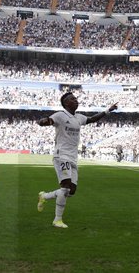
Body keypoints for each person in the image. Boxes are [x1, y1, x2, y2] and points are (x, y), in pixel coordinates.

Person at [37, 92, 117, 228]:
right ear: (66, 103)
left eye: (75, 98)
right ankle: (57, 220)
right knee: (66, 186)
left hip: (73, 156)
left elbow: (92, 119)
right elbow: (49, 121)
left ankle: (45, 196)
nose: (76, 100)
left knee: (71, 191)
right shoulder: (60, 115)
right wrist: (44, 121)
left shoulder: (78, 117)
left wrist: (107, 110)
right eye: (72, 99)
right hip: (62, 155)